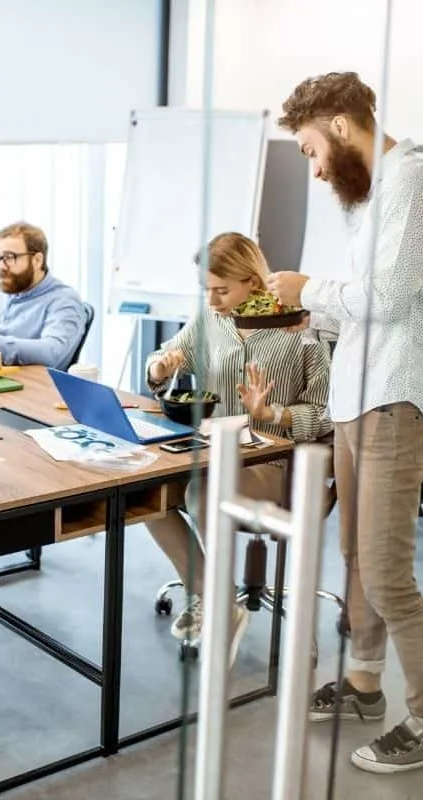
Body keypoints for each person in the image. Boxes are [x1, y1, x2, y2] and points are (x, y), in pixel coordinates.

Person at [268, 72, 423, 773]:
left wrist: (307, 289)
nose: (315, 169)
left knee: (386, 574)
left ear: (343, 128)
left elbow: (387, 296)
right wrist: (305, 309)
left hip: (396, 401)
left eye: (312, 150)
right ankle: (365, 682)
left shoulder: (416, 184)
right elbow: (357, 302)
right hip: (356, 398)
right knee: (355, 557)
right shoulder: (373, 195)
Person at [144, 233, 331, 657]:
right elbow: (165, 356)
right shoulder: (211, 320)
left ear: (252, 281)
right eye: (206, 290)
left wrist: (273, 415)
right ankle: (215, 598)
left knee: (203, 494)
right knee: (142, 495)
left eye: (221, 290)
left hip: (280, 462)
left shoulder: (301, 325)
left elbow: (323, 414)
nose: (212, 301)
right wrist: (160, 367)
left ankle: (215, 603)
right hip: (213, 453)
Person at [0, 221, 87, 370]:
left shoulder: (64, 300)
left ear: (37, 260)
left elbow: (51, 353)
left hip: (30, 387)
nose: (1, 267)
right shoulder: (4, 290)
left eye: (10, 257)